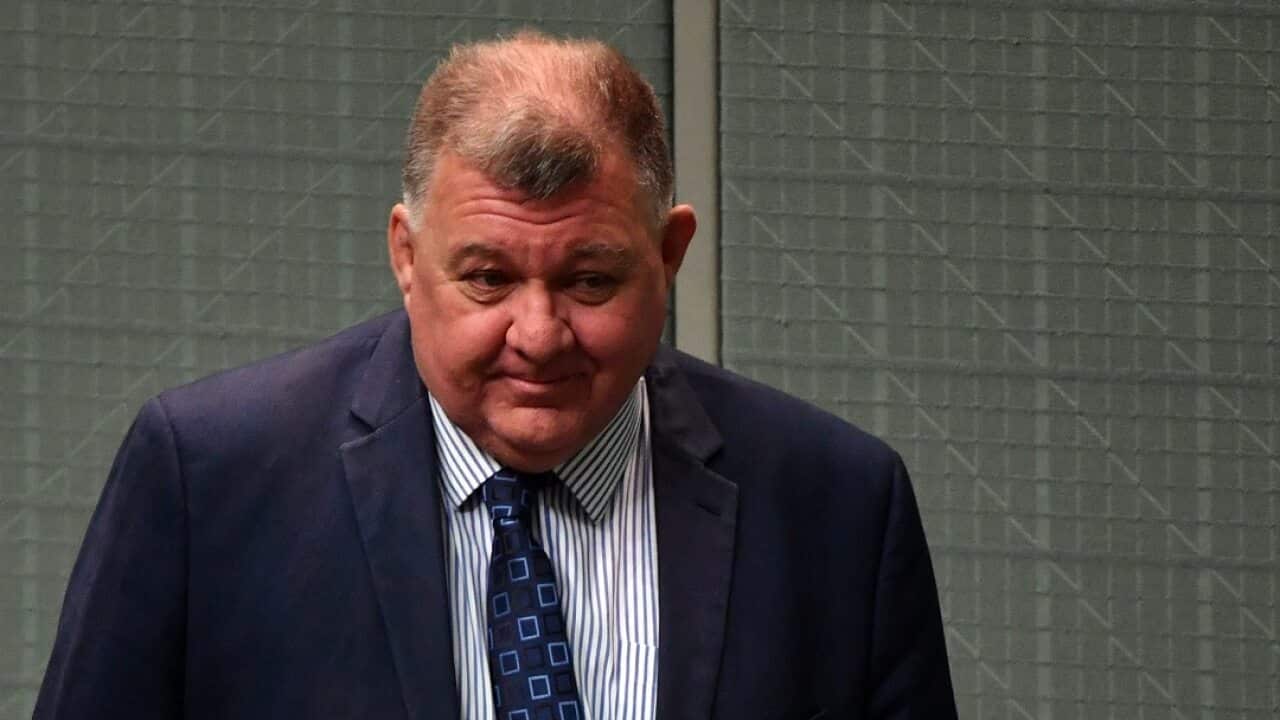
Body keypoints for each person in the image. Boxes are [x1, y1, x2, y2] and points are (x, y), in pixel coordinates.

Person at [34, 31, 957, 720]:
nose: (539, 333)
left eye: (591, 280)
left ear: (670, 253)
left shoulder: (838, 508)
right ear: (406, 253)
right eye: (487, 278)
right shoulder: (209, 479)